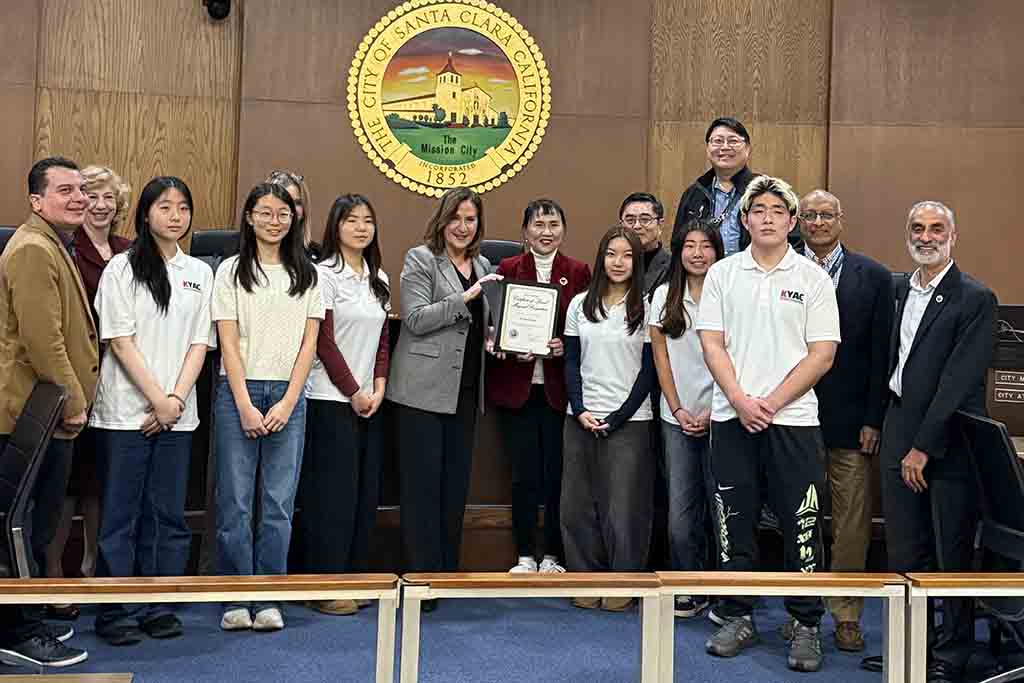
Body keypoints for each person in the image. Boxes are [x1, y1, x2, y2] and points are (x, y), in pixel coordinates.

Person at [696, 175, 839, 672]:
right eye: (758, 210)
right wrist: (740, 400)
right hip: (731, 418)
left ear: (792, 221)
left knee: (803, 523)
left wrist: (771, 403)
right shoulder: (723, 274)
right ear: (744, 219)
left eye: (778, 211)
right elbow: (711, 343)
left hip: (793, 421)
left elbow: (822, 354)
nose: (768, 218)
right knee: (733, 522)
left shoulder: (813, 278)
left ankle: (805, 623)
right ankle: (737, 614)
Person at [90, 176, 215, 645]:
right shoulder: (121, 268)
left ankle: (158, 604)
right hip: (126, 413)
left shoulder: (199, 272)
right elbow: (120, 341)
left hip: (178, 416)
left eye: (183, 207)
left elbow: (200, 343)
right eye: (165, 207)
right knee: (121, 515)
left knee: (167, 516)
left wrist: (174, 401)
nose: (175, 216)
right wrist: (157, 400)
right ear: (145, 214)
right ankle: (115, 611)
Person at [880, 201, 996, 683]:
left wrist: (923, 446)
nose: (925, 236)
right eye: (917, 228)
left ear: (953, 236)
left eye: (936, 228)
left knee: (950, 554)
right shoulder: (898, 289)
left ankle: (951, 655)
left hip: (949, 440)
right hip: (898, 429)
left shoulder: (975, 298)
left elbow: (958, 382)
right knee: (904, 551)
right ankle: (913, 648)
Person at [212, 183, 322, 632]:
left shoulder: (308, 273)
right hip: (237, 392)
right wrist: (243, 403)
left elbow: (309, 344)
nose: (274, 222)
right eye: (265, 213)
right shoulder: (230, 270)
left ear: (294, 219)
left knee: (278, 503)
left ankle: (269, 597)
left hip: (288, 396)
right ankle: (237, 597)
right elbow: (227, 342)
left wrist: (288, 401)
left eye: (283, 214)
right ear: (249, 217)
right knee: (235, 502)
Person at [0, 157, 97, 667]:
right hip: (32, 416)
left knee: (37, 527)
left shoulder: (52, 243)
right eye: (65, 190)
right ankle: (20, 632)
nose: (79, 197)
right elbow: (44, 340)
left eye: (81, 189)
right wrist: (74, 402)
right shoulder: (34, 249)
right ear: (36, 201)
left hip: (43, 414)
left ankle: (27, 617)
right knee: (22, 531)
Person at [386, 187, 499, 610]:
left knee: (454, 490)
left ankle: (446, 575)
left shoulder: (483, 265)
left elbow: (479, 327)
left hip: (465, 392)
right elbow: (416, 319)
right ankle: (420, 581)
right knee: (422, 491)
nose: (462, 226)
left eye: (470, 219)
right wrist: (467, 296)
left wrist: (494, 341)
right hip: (421, 392)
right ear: (442, 219)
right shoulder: (421, 259)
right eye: (455, 217)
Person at [797, 190, 893, 652]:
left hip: (852, 421)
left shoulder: (873, 276)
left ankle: (847, 612)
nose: (817, 222)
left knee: (852, 521)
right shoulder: (780, 270)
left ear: (841, 219)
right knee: (800, 517)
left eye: (825, 214)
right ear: (798, 221)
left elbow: (882, 354)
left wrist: (874, 418)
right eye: (809, 215)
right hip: (792, 414)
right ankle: (802, 610)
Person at [45, 165, 132, 620]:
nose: (99, 205)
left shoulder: (129, 251)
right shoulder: (65, 248)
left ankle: (93, 567)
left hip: (118, 382)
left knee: (101, 483)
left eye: (108, 198)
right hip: (74, 379)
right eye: (91, 196)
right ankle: (53, 572)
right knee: (66, 486)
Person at [487, 199, 591, 575]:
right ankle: (525, 555)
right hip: (518, 388)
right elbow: (495, 324)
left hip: (557, 390)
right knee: (523, 475)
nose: (546, 232)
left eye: (553, 224)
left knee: (557, 475)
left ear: (563, 230)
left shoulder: (578, 272)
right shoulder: (507, 268)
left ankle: (553, 555)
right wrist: (503, 342)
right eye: (538, 225)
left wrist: (566, 344)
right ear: (525, 231)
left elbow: (588, 328)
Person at [299, 194, 390, 616]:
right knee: (331, 497)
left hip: (370, 401)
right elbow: (324, 342)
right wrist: (353, 390)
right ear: (335, 226)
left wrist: (378, 387)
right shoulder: (323, 275)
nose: (361, 227)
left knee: (362, 495)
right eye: (352, 220)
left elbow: (383, 340)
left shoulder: (378, 276)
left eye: (368, 220)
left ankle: (353, 577)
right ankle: (324, 584)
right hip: (331, 399)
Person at [562, 226, 655, 612]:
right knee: (577, 505)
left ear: (637, 262)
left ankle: (623, 580)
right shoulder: (579, 304)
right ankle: (584, 577)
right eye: (612, 254)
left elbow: (649, 372)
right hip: (580, 417)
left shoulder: (647, 307)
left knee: (624, 506)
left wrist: (618, 416)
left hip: (630, 420)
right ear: (601, 257)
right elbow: (571, 362)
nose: (619, 262)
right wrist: (580, 408)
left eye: (628, 255)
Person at [649, 219, 723, 618]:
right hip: (675, 416)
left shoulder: (728, 294)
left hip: (723, 416)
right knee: (681, 512)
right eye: (689, 246)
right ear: (678, 253)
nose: (697, 253)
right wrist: (678, 409)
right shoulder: (663, 296)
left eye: (705, 245)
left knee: (721, 508)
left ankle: (725, 590)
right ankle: (688, 585)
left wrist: (712, 411)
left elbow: (738, 358)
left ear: (717, 252)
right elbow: (661, 360)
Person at [672, 117, 801, 256]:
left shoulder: (767, 190)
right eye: (717, 141)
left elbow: (794, 243)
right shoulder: (695, 192)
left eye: (733, 141)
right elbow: (678, 245)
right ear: (707, 148)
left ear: (747, 148)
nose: (724, 147)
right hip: (705, 269)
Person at [619, 192, 670, 294]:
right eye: (630, 220)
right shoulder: (612, 263)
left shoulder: (672, 266)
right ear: (621, 225)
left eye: (645, 219)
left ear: (660, 225)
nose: (637, 226)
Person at [265, 170, 317, 258]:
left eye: (297, 203)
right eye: (285, 201)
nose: (292, 208)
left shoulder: (318, 255)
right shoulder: (245, 251)